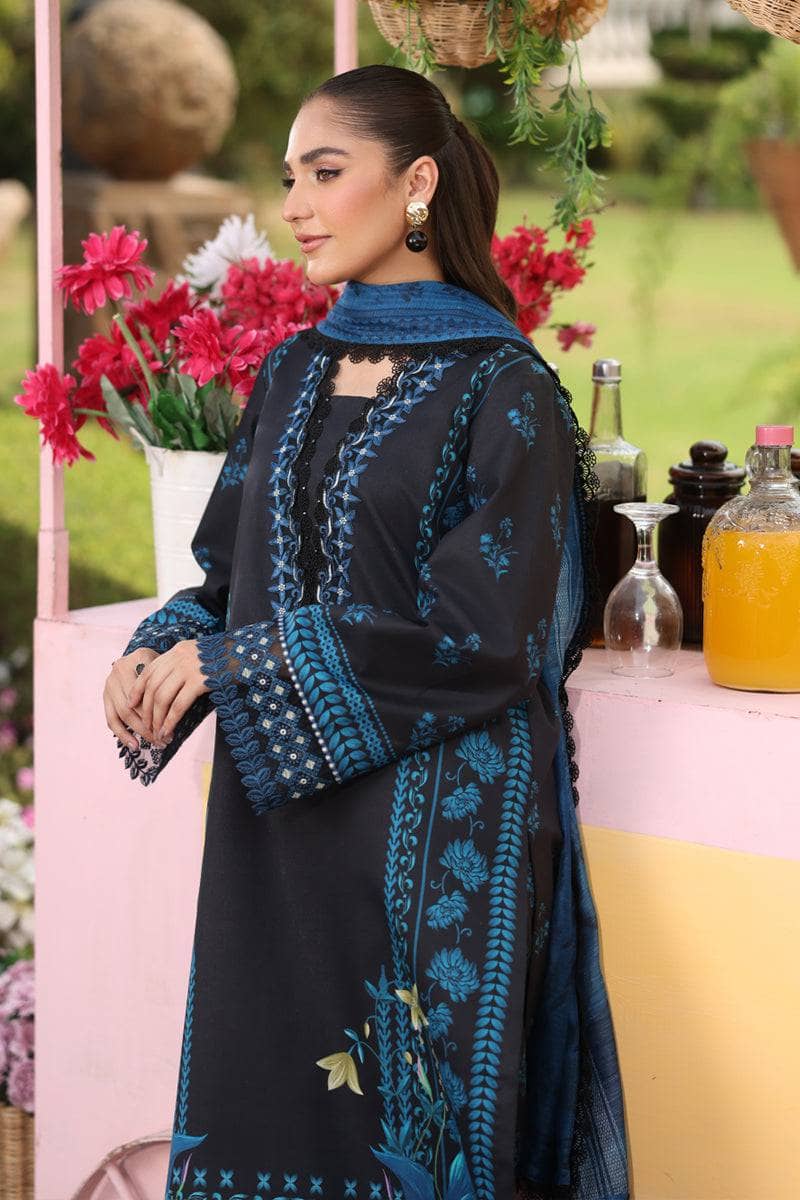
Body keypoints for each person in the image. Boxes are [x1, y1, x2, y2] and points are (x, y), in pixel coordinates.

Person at [103, 64, 629, 1200]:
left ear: (416, 186)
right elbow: (230, 576)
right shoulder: (294, 370)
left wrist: (233, 660)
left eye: (325, 173)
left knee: (409, 1141)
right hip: (278, 834)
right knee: (265, 1120)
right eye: (291, 175)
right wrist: (159, 648)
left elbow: (491, 634)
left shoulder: (505, 391)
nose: (294, 203)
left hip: (436, 844)